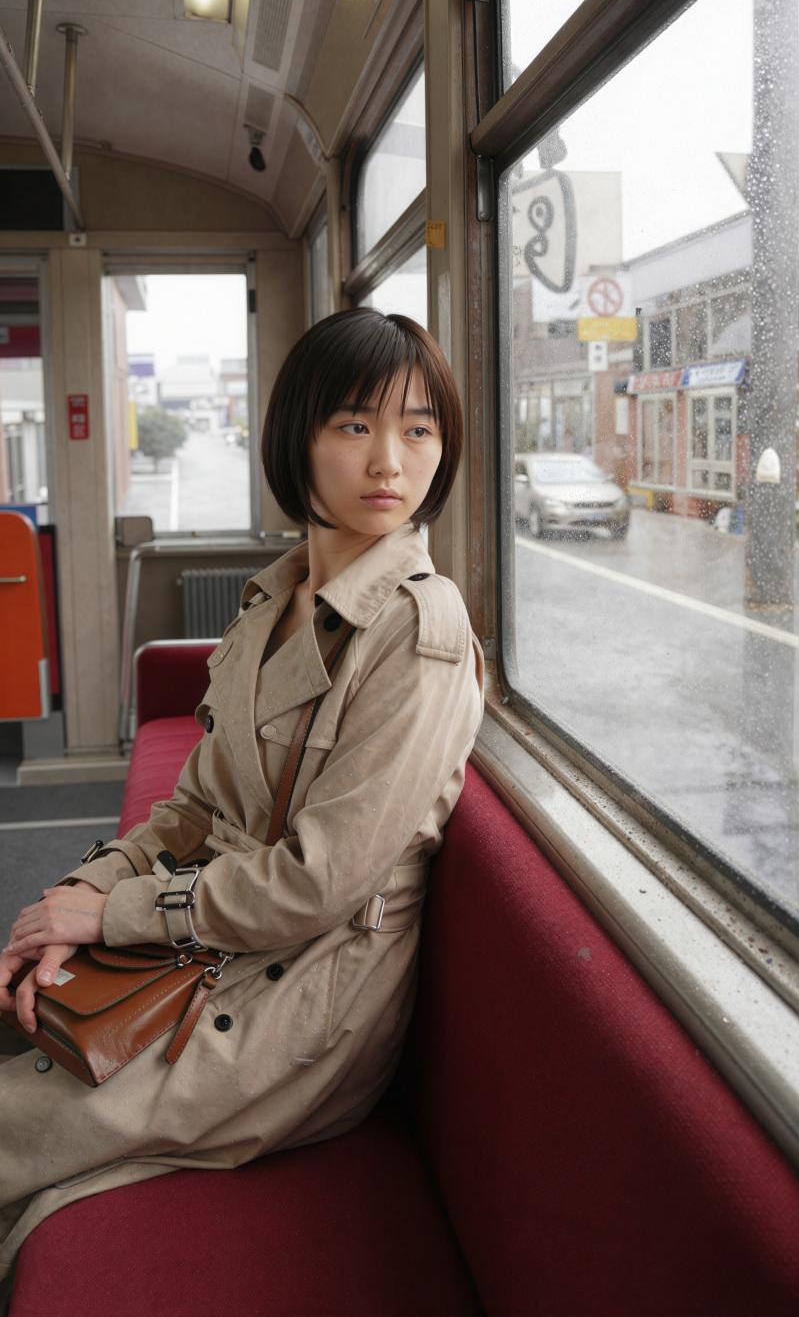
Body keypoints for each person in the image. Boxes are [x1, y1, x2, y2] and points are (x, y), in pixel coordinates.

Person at [0, 308, 485, 1298]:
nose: (391, 459)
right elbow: (189, 811)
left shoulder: (420, 635)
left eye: (419, 427)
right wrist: (73, 901)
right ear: (294, 437)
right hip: (210, 942)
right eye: (354, 423)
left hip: (298, 1008)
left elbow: (319, 883)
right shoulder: (276, 601)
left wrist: (118, 916)